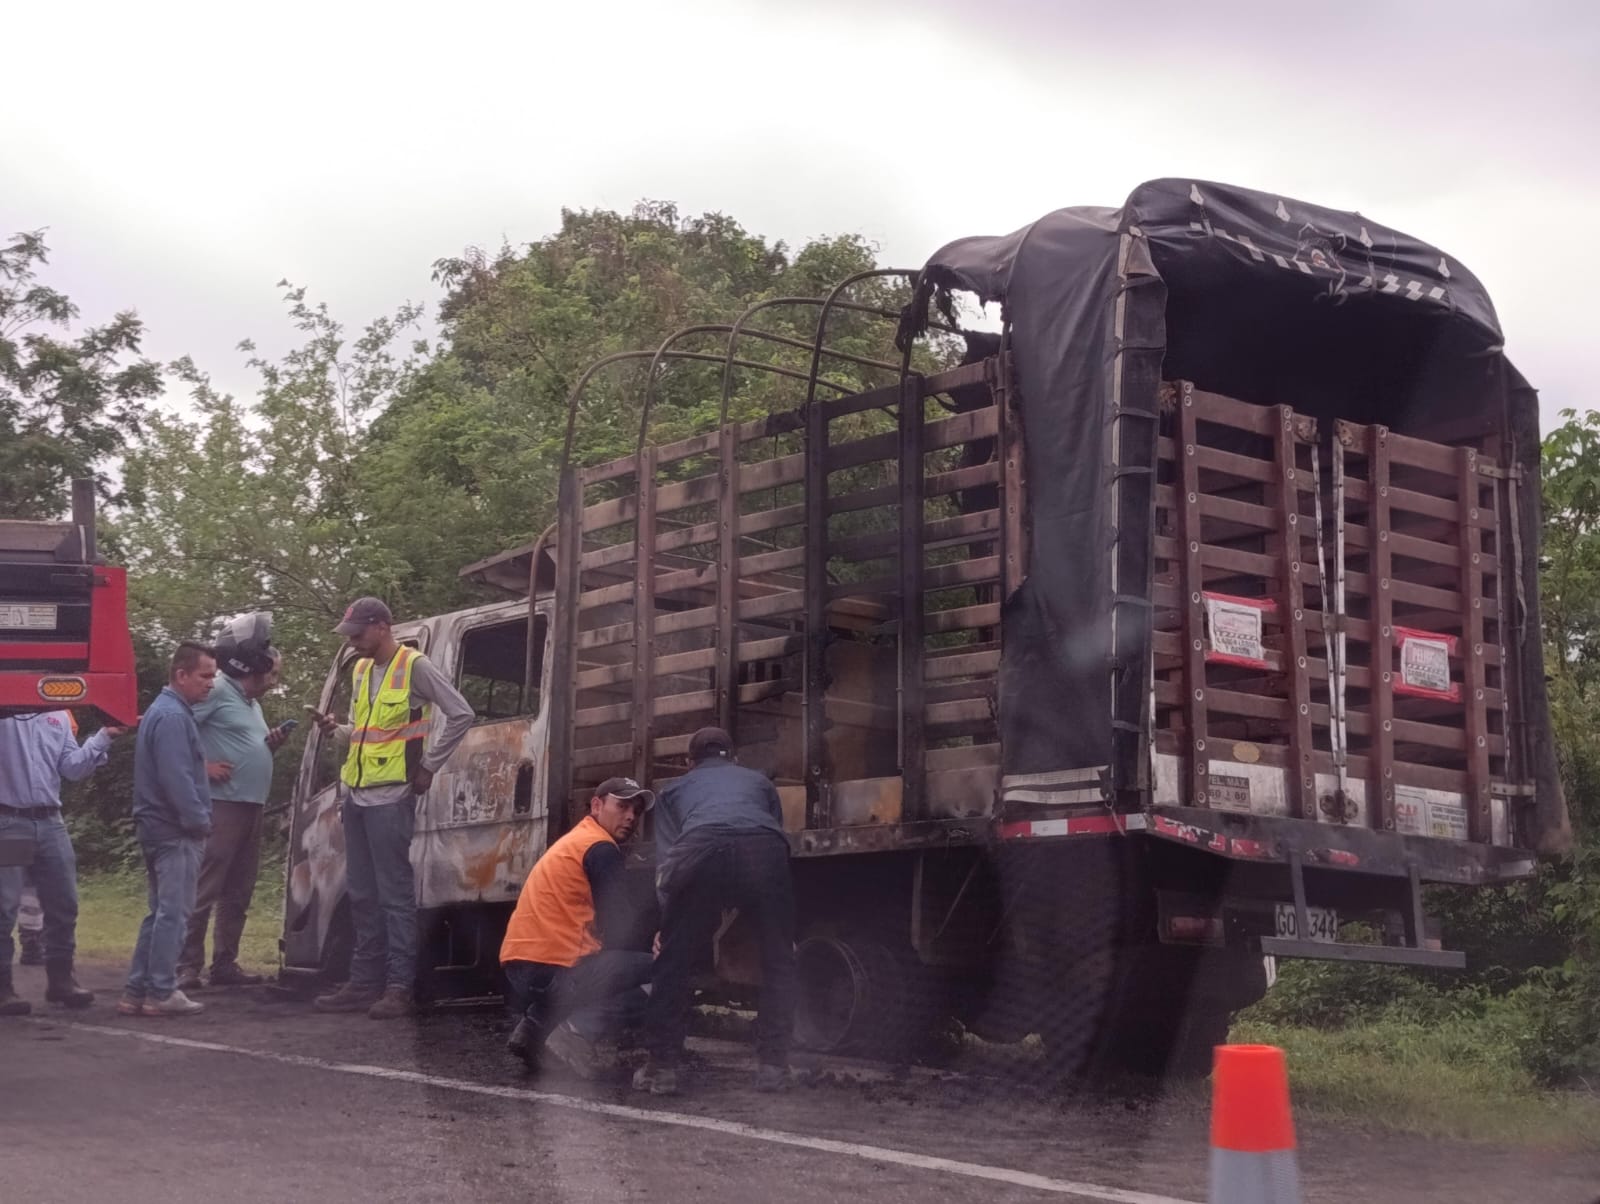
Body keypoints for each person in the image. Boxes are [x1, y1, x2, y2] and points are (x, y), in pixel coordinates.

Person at [309, 597, 473, 1020]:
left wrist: (430, 766)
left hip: (390, 799)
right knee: (363, 893)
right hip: (357, 796)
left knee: (394, 895)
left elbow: (461, 713)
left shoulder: (413, 665)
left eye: (359, 634)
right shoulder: (363, 670)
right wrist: (337, 730)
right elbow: (366, 732)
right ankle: (365, 984)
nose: (354, 643)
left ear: (382, 626)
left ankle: (399, 987)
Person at [633, 727, 796, 1096]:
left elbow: (669, 863)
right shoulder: (760, 783)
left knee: (673, 963)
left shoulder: (673, 791)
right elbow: (772, 830)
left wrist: (668, 926)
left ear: (689, 763)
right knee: (778, 959)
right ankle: (773, 1068)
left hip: (701, 848)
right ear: (734, 758)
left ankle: (661, 1069)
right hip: (765, 851)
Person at [499, 777, 656, 1078]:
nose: (630, 817)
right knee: (660, 969)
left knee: (598, 966)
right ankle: (576, 1033)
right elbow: (620, 924)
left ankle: (531, 1032)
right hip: (553, 971)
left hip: (522, 970)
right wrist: (654, 948)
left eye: (636, 811)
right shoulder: (600, 848)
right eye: (622, 806)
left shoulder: (575, 841)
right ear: (596, 805)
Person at [177, 635, 289, 991]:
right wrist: (204, 767)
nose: (275, 681)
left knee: (239, 890)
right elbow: (177, 728)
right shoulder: (220, 691)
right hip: (221, 803)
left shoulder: (251, 704)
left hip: (251, 803)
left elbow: (241, 745)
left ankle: (224, 963)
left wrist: (269, 747)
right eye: (272, 673)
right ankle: (186, 965)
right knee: (206, 885)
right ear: (255, 671)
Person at [0, 709, 126, 1015]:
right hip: (10, 821)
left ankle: (61, 980)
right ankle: (3, 987)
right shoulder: (5, 707)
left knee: (64, 902)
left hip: (50, 822)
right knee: (4, 907)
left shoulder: (57, 713)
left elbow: (72, 768)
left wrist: (104, 737)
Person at [120, 642, 218, 1018]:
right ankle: (161, 991)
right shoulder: (174, 718)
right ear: (181, 675)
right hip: (174, 830)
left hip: (155, 826)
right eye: (205, 675)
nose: (210, 684)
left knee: (159, 912)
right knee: (174, 913)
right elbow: (177, 778)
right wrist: (199, 821)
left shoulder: (162, 712)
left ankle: (136, 991)